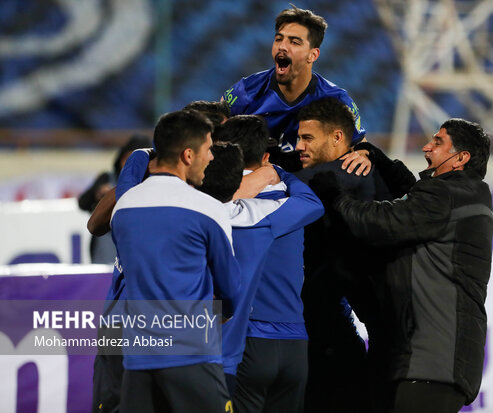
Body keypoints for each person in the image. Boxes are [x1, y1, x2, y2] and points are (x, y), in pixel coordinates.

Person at [310, 118, 493, 413]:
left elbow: (383, 222)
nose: (426, 147)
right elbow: (414, 202)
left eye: (437, 142)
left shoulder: (446, 196)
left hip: (431, 363)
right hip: (435, 360)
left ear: (461, 158)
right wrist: (383, 162)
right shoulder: (463, 195)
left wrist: (335, 197)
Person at [111, 109, 240, 413]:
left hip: (137, 358)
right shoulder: (208, 209)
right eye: (208, 150)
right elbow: (231, 289)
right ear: (188, 155)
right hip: (191, 356)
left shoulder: (124, 206)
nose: (211, 158)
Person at [293, 97, 412, 413]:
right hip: (378, 323)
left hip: (367, 327)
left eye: (307, 138)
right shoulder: (368, 170)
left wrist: (260, 175)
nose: (297, 146)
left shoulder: (344, 175)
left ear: (336, 138)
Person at [215, 115, 323, 413]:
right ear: (265, 156)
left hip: (246, 341)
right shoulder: (288, 202)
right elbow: (313, 203)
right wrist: (278, 173)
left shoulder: (208, 208)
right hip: (295, 342)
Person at [222, 5, 369, 174]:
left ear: (313, 55)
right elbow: (214, 130)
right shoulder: (246, 91)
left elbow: (360, 144)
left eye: (294, 42)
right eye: (278, 39)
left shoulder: (337, 100)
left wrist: (363, 154)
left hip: (310, 188)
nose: (282, 47)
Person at [78, 134, 150, 263]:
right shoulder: (108, 178)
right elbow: (83, 202)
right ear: (120, 159)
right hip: (105, 254)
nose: (130, 164)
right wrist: (98, 194)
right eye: (127, 159)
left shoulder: (152, 185)